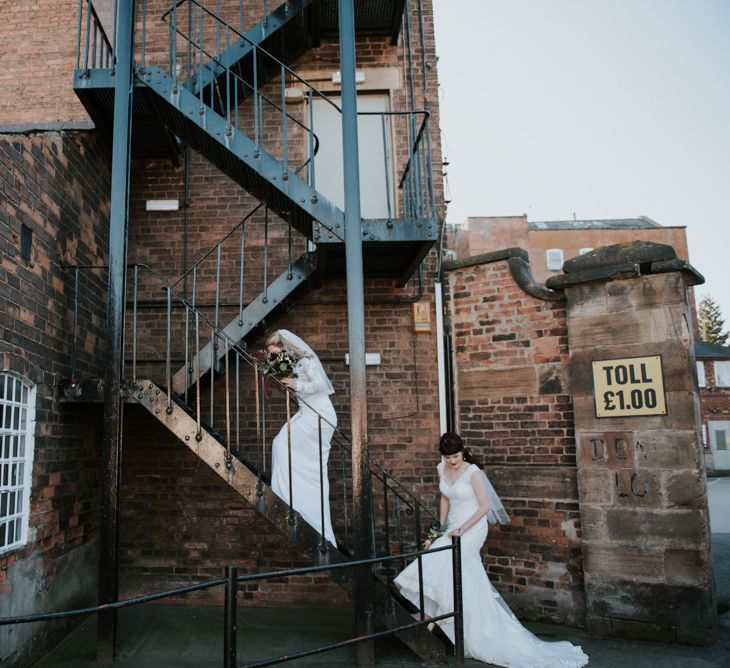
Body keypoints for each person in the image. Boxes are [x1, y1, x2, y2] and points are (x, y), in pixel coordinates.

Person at [394, 432, 588, 668]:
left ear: (462, 452)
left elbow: (484, 507)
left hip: (473, 526)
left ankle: (435, 616)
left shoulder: (473, 472)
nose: (453, 462)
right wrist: (439, 530)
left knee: (449, 562)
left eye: (455, 456)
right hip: (453, 525)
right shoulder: (441, 468)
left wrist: (462, 530)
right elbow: (445, 498)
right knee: (454, 568)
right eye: (448, 458)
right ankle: (439, 616)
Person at [266, 330, 337, 545]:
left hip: (320, 416)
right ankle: (293, 500)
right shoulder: (295, 364)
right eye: (271, 355)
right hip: (307, 413)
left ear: (285, 347)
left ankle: (292, 501)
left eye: (275, 353)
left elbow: (321, 386)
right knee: (287, 449)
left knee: (283, 445)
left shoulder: (306, 360)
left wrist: (297, 385)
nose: (273, 358)